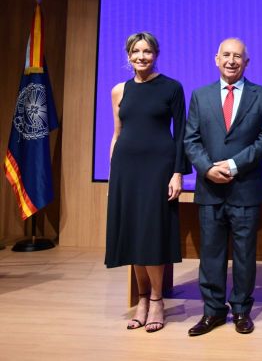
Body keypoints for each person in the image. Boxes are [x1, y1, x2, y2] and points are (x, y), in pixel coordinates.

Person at [184, 38, 262, 336]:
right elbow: (191, 139)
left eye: (238, 56)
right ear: (216, 59)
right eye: (226, 55)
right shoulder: (200, 96)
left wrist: (234, 165)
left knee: (244, 255)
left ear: (246, 62)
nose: (231, 60)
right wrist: (208, 168)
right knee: (210, 254)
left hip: (245, 187)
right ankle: (212, 312)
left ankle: (241, 311)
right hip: (210, 188)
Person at [105, 32, 188, 333]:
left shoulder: (171, 87)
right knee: (133, 235)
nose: (141, 56)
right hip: (126, 171)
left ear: (156, 54)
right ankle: (141, 299)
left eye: (147, 51)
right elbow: (117, 134)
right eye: (136, 51)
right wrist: (113, 177)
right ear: (128, 55)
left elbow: (181, 134)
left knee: (152, 236)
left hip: (158, 170)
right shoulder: (119, 90)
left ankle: (156, 300)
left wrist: (177, 173)